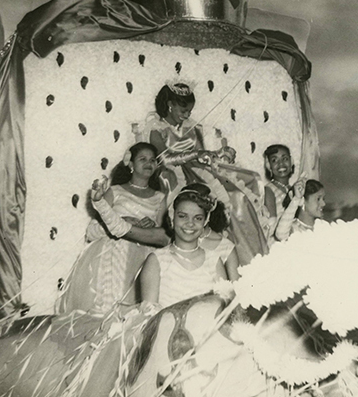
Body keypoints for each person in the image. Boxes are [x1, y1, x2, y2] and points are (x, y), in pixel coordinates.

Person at [57, 142, 168, 315]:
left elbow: (163, 235)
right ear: (131, 164)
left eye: (153, 160)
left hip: (143, 257)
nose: (149, 163)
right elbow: (92, 230)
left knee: (136, 311)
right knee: (107, 307)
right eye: (143, 159)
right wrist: (123, 220)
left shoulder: (160, 197)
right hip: (111, 254)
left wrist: (151, 227)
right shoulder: (115, 191)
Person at [139, 185, 235, 309]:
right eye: (182, 216)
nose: (190, 223)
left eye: (198, 218)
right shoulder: (157, 260)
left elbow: (224, 311)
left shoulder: (214, 261)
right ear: (172, 218)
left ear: (205, 222)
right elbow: (149, 316)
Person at [138, 82, 236, 191]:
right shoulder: (157, 128)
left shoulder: (193, 126)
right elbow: (164, 160)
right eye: (183, 111)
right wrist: (195, 154)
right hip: (170, 175)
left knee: (235, 182)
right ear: (170, 105)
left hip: (197, 170)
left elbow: (201, 155)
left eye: (190, 111)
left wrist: (219, 154)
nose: (187, 115)